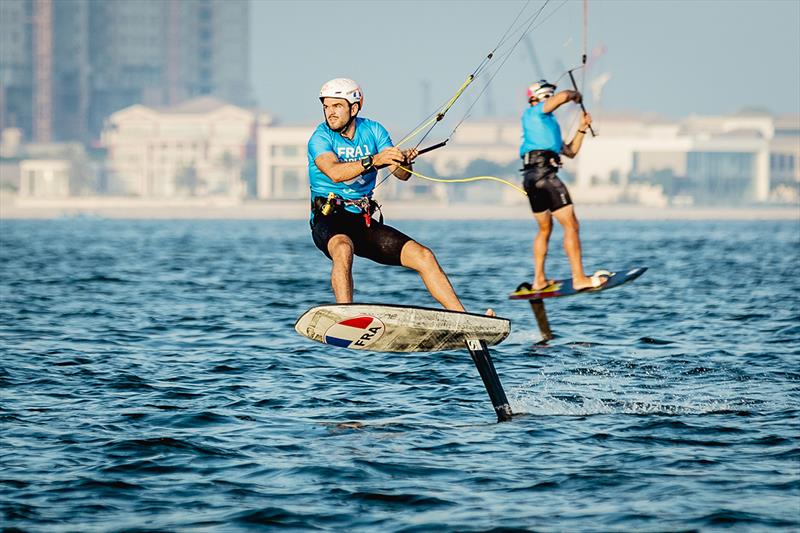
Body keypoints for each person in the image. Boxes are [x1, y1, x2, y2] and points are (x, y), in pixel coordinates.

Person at [308, 78, 493, 315]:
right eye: (326, 107)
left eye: (336, 106)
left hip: (361, 221)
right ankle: (345, 315)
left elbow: (402, 175)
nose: (329, 113)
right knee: (343, 248)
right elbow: (334, 173)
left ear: (354, 108)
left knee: (423, 255)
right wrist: (375, 160)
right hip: (328, 219)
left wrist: (402, 162)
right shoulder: (320, 137)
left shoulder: (374, 131)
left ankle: (465, 319)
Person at [520, 79, 607, 291]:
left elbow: (570, 152)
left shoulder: (547, 126)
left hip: (531, 176)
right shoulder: (534, 112)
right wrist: (575, 95)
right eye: (548, 96)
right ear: (538, 98)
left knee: (545, 228)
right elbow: (563, 97)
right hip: (544, 174)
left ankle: (538, 280)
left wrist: (582, 128)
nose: (551, 101)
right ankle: (579, 279)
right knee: (571, 225)